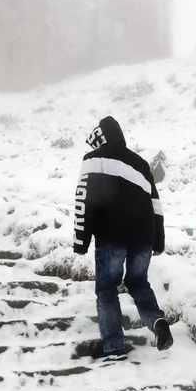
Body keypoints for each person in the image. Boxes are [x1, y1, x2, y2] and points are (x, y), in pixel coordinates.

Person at [73, 116, 173, 361]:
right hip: (144, 236)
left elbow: (84, 199)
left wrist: (80, 239)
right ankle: (158, 321)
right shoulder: (140, 163)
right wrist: (158, 241)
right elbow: (156, 205)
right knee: (139, 283)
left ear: (100, 137)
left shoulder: (93, 159)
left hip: (111, 235)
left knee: (107, 289)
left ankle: (114, 346)